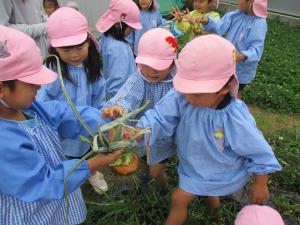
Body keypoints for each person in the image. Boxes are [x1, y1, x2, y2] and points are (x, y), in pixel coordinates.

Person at [128, 34, 281, 225]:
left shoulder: (233, 116)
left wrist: (261, 182)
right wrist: (140, 130)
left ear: (224, 88)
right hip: (193, 166)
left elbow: (257, 149)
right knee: (207, 195)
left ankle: (214, 216)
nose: (189, 97)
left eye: (197, 93)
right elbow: (161, 115)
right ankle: (215, 217)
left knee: (179, 198)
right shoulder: (183, 96)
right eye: (185, 88)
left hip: (219, 171)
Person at [0, 25, 123, 225]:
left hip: (58, 198)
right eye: (31, 83)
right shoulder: (3, 143)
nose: (39, 87)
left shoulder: (27, 108)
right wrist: (93, 164)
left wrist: (103, 119)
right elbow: (43, 183)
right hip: (30, 214)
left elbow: (65, 114)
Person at [37, 7, 108, 195]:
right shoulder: (52, 70)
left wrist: (101, 119)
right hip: (62, 129)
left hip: (87, 127)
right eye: (66, 49)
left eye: (80, 47)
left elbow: (99, 97)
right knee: (66, 156)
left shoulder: (92, 68)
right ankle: (70, 178)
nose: (75, 54)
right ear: (54, 48)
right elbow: (42, 102)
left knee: (87, 152)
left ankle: (92, 171)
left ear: (89, 43)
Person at [103, 28, 178, 192]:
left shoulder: (177, 83)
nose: (152, 71)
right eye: (147, 65)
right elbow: (127, 94)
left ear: (173, 62)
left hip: (161, 137)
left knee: (156, 170)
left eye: (160, 66)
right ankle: (149, 175)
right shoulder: (139, 79)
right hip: (137, 134)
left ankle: (162, 189)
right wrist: (118, 107)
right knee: (144, 157)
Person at [198, 0, 268, 97]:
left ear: (251, 2)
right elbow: (220, 26)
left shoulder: (258, 23)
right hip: (228, 63)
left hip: (241, 70)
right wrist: (207, 21)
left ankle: (236, 110)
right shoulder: (235, 15)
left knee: (234, 93)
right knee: (223, 92)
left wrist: (242, 56)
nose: (237, 1)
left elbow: (256, 49)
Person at [96, 0, 142, 98]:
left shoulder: (106, 37)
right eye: (130, 28)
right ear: (118, 24)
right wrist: (119, 102)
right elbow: (116, 83)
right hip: (122, 97)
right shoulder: (119, 48)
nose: (131, 31)